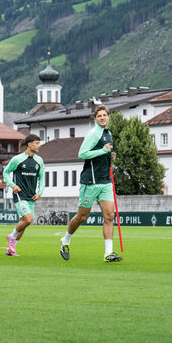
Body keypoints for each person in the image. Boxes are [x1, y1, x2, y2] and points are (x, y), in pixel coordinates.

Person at [60, 104, 122, 262]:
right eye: (99, 116)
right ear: (95, 119)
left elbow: (103, 153)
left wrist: (110, 157)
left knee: (109, 216)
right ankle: (65, 240)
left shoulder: (108, 134)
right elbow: (82, 154)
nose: (102, 118)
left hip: (105, 181)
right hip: (91, 182)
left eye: (105, 115)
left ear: (108, 117)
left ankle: (108, 253)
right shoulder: (93, 133)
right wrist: (103, 151)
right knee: (82, 217)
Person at [3, 134, 44, 256]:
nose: (39, 146)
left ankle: (10, 249)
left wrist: (40, 192)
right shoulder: (17, 159)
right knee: (28, 219)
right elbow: (6, 172)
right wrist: (12, 185)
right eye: (37, 143)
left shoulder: (39, 161)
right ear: (29, 144)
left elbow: (42, 178)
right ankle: (11, 236)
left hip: (31, 196)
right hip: (20, 195)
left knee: (24, 223)